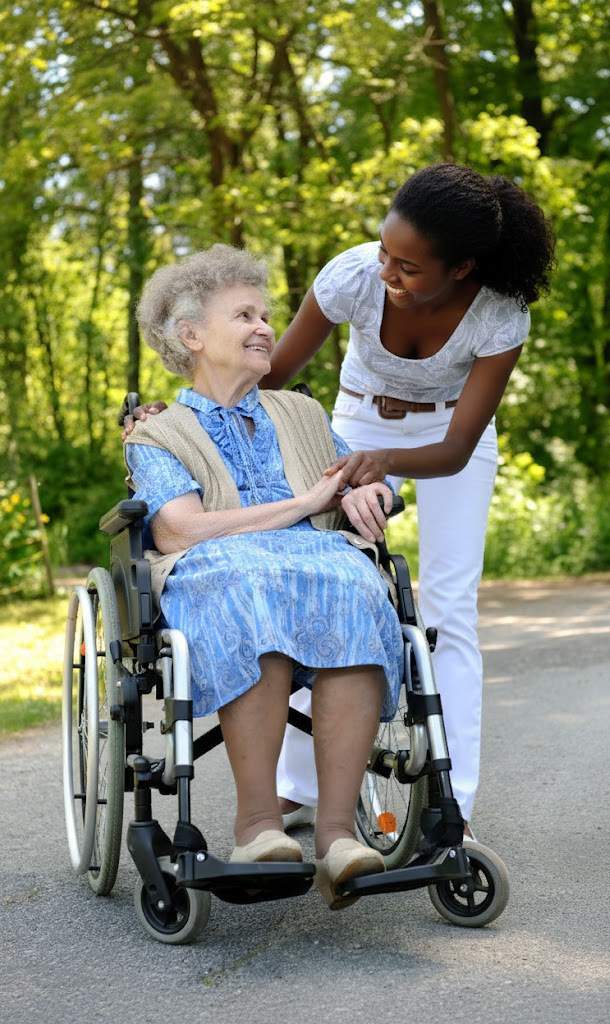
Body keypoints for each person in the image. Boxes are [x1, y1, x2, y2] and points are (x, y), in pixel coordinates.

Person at [127, 162, 555, 837]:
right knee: (303, 569)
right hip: (354, 417)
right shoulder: (354, 275)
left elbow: (452, 450)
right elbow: (269, 384)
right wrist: (173, 423)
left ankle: (454, 808)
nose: (387, 269)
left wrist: (375, 472)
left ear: (461, 269)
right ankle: (297, 794)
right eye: (385, 250)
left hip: (447, 432)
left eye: (408, 267)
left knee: (445, 607)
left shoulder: (499, 315)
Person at [126, 243, 404, 909]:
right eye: (243, 315)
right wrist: (306, 505)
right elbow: (177, 530)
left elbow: (361, 480)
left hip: (318, 565)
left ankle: (338, 835)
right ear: (190, 335)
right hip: (216, 573)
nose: (264, 327)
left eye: (265, 315)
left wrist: (371, 495)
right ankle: (257, 827)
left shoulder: (302, 415)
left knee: (358, 584)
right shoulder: (157, 435)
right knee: (249, 590)